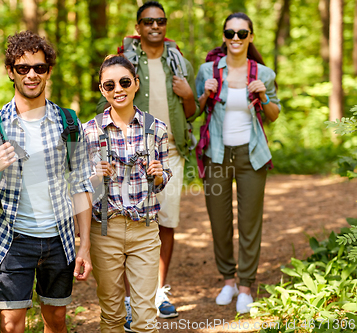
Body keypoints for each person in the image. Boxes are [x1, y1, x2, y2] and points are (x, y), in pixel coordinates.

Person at [0, 30, 93, 333]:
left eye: (40, 67)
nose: (32, 75)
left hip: (59, 239)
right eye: (23, 68)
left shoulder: (69, 123)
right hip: (12, 240)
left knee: (56, 321)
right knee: (11, 326)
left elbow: (82, 186)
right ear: (10, 72)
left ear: (48, 71)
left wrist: (83, 245)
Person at [96, 1, 199, 324]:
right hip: (128, 153)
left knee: (166, 222)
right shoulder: (126, 63)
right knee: (129, 220)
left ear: (166, 25)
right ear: (138, 27)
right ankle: (130, 299)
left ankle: (158, 292)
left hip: (169, 152)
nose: (155, 26)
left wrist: (187, 96)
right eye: (148, 21)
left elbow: (192, 113)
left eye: (161, 21)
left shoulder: (179, 62)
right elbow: (108, 100)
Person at [195, 12, 280, 314]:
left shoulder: (263, 73)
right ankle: (228, 281)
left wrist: (264, 96)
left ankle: (245, 285)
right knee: (219, 222)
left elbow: (273, 114)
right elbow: (194, 111)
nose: (235, 39)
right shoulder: (208, 70)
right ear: (224, 36)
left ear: (250, 37)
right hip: (216, 155)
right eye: (230, 33)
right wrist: (205, 95)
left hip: (251, 155)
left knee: (249, 222)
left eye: (241, 34)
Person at [84, 54, 172, 333]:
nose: (117, 89)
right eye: (109, 85)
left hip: (145, 230)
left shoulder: (156, 128)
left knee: (146, 317)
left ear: (136, 84)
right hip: (104, 231)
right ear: (102, 90)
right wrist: (95, 176)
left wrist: (159, 174)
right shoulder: (88, 131)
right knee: (111, 314)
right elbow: (78, 186)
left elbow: (163, 176)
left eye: (124, 82)